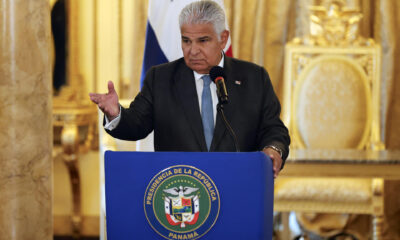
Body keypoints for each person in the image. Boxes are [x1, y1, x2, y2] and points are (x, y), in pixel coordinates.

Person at [89, 0, 290, 177]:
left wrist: (273, 149)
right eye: (186, 40)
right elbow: (136, 124)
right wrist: (115, 114)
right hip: (181, 193)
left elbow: (273, 128)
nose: (193, 51)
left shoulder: (253, 78)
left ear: (223, 38)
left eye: (203, 40)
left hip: (237, 186)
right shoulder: (161, 79)